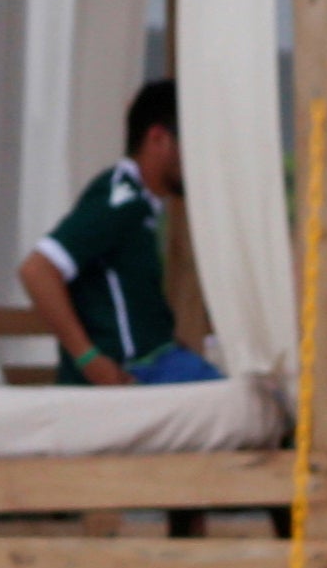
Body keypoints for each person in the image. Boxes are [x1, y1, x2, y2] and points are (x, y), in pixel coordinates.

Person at [20, 81, 221, 389]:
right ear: (158, 139)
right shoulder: (119, 198)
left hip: (155, 361)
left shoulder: (137, 203)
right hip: (137, 371)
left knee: (264, 404)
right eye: (191, 144)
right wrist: (89, 360)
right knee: (266, 408)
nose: (198, 160)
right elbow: (37, 270)